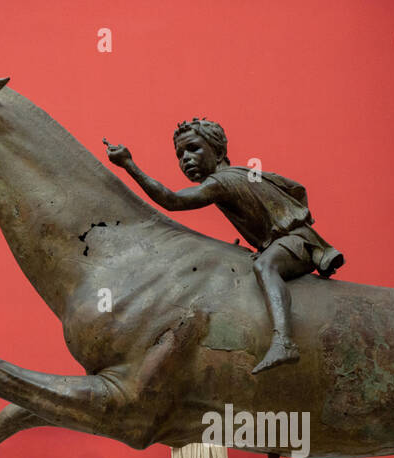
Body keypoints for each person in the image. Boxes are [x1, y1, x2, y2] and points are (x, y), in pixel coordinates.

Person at [105, 118, 343, 373]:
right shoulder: (235, 178)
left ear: (218, 151)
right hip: (284, 241)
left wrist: (128, 165)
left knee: (265, 266)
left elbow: (172, 200)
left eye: (193, 149)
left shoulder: (222, 182)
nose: (185, 159)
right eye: (180, 154)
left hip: (298, 241)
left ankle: (283, 342)